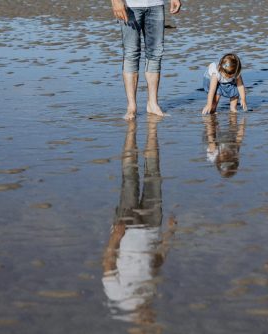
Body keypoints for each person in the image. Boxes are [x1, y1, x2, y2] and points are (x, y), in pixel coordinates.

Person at [102, 115, 177, 326]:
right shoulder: (150, 295)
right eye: (152, 318)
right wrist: (169, 234)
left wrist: (115, 238)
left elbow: (108, 264)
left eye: (148, 321)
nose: (150, 316)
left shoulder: (119, 299)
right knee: (154, 174)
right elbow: (157, 262)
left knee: (129, 178)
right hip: (152, 226)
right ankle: (151, 131)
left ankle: (131, 132)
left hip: (126, 231)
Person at [110, 0, 182, 120]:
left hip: (156, 5)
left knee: (155, 53)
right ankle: (131, 107)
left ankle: (153, 104)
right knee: (131, 54)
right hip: (130, 6)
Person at [203, 113, 246, 178]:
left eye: (224, 159)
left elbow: (210, 135)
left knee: (213, 122)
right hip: (225, 140)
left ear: (218, 161)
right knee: (233, 130)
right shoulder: (235, 153)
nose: (226, 156)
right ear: (234, 160)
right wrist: (243, 121)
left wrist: (210, 120)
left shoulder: (213, 153)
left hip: (209, 139)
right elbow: (239, 138)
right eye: (228, 158)